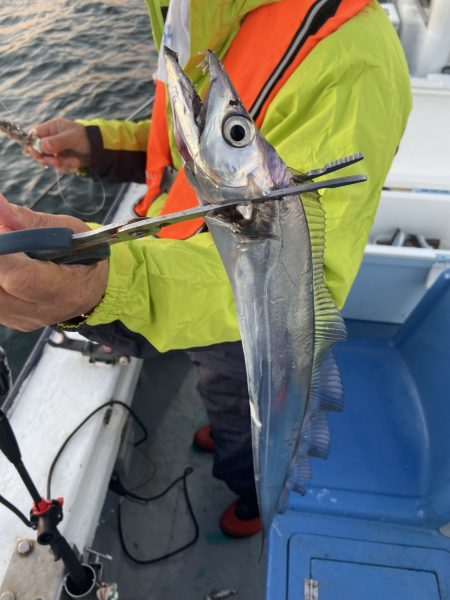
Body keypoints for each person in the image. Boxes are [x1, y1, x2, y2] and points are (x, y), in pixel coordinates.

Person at [0, 0, 412, 537]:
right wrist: (99, 145)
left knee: (241, 405)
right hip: (171, 266)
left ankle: (255, 499)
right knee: (218, 387)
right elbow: (189, 148)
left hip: (231, 311)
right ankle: (233, 427)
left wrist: (110, 284)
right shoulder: (193, 11)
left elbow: (304, 269)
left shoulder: (356, 55)